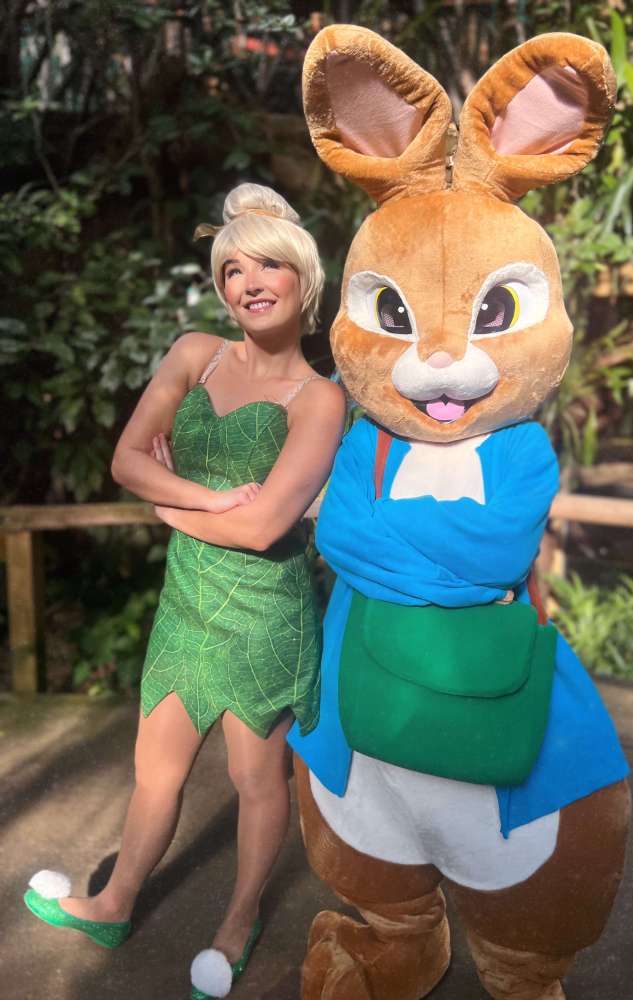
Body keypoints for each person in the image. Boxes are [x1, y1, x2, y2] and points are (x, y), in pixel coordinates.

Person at [23, 182, 346, 999]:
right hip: (187, 606)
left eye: (268, 263)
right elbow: (127, 460)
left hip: (264, 616)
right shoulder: (194, 352)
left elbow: (269, 527)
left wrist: (171, 508)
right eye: (232, 269)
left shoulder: (321, 397)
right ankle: (114, 902)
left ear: (304, 278)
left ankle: (237, 923)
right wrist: (201, 502)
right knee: (155, 772)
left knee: (254, 782)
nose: (248, 282)